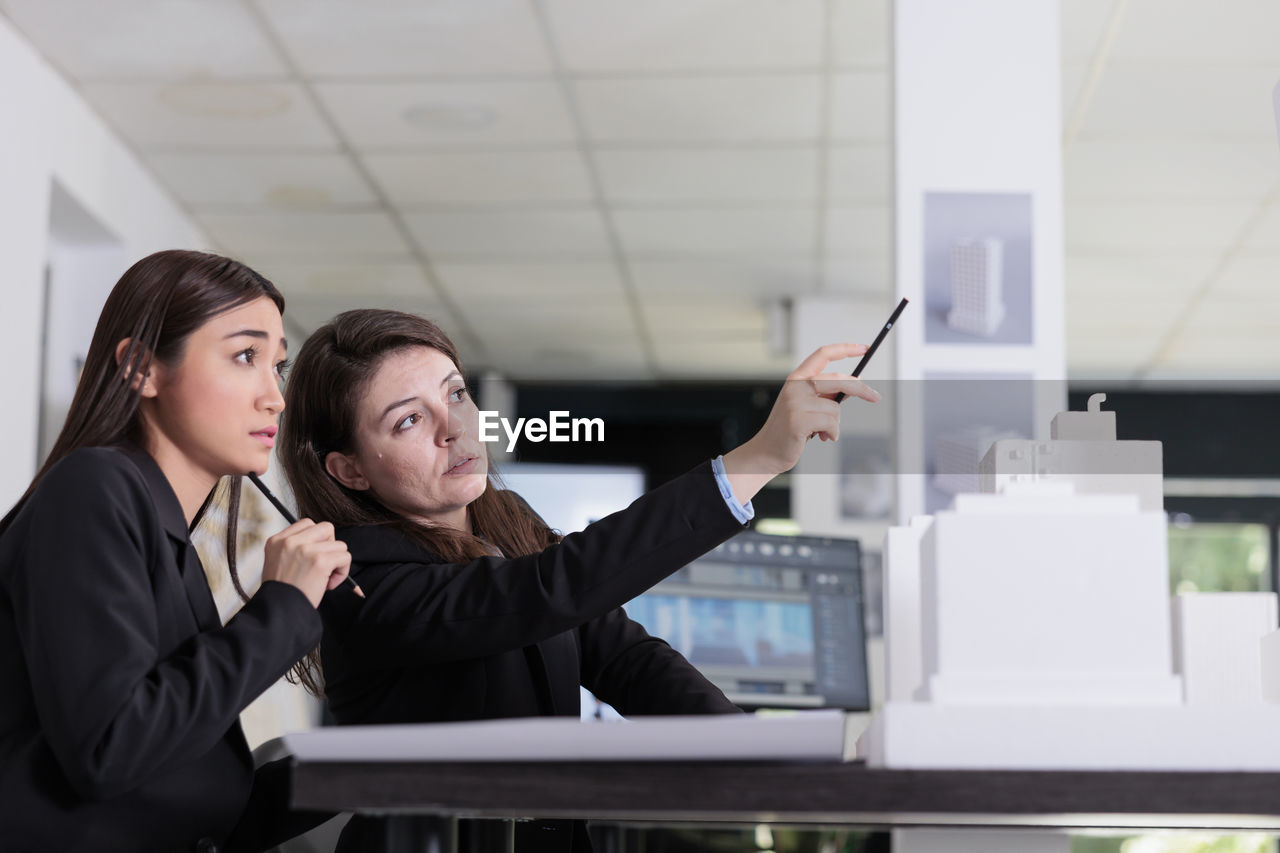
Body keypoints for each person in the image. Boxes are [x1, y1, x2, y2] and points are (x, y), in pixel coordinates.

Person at [278, 308, 878, 852]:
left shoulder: (504, 522)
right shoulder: (356, 580)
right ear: (348, 469)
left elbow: (625, 657)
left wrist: (766, 759)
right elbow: (551, 590)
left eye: (455, 394)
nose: (453, 428)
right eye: (409, 420)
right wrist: (758, 459)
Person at [0, 250, 353, 853]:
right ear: (141, 366)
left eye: (278, 367)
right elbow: (111, 751)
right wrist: (284, 606)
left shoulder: (165, 533)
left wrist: (375, 757)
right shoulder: (92, 488)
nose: (276, 398)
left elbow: (184, 800)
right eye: (246, 357)